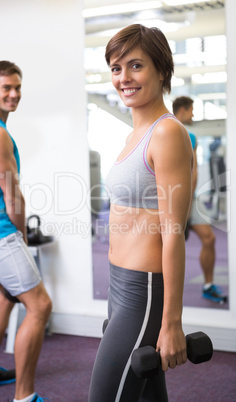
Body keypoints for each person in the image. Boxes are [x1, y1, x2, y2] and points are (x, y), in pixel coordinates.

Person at [88, 25, 193, 402]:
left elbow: (173, 233)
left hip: (145, 292)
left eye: (135, 66)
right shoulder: (133, 134)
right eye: (116, 68)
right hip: (119, 285)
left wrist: (172, 323)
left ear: (161, 70)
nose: (123, 78)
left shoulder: (166, 134)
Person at [0, 61, 52, 402]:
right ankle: (24, 396)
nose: (14, 94)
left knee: (6, 295)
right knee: (40, 306)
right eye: (6, 88)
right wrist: (22, 237)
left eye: (17, 87)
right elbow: (12, 193)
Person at [172, 96, 227, 304]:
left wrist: (187, 206)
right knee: (165, 246)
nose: (193, 115)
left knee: (209, 238)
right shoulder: (169, 131)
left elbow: (192, 173)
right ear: (183, 110)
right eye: (192, 110)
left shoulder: (191, 136)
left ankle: (208, 285)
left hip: (188, 199)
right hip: (169, 200)